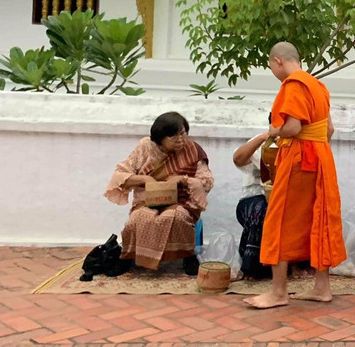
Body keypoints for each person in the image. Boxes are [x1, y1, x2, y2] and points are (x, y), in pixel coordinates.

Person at [246, 42, 345, 310]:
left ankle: (279, 292)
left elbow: (291, 127)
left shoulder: (293, 85)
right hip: (321, 158)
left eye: (270, 66)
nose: (272, 71)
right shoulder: (318, 86)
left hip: (300, 159)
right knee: (318, 217)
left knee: (279, 220)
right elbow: (329, 130)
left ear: (278, 60)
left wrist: (272, 131)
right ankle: (322, 288)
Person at [105, 111, 213, 273]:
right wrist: (145, 180)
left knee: (176, 217)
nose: (181, 140)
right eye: (173, 136)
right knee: (137, 219)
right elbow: (119, 175)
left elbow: (207, 181)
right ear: (160, 138)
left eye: (183, 133)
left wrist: (182, 179)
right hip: (146, 201)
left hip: (180, 202)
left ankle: (188, 257)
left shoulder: (192, 150)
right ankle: (126, 257)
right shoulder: (146, 147)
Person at [232, 130, 272, 279]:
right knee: (262, 210)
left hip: (285, 199)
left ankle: (293, 265)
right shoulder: (265, 142)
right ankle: (250, 266)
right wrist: (263, 137)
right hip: (254, 198)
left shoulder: (301, 144)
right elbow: (238, 159)